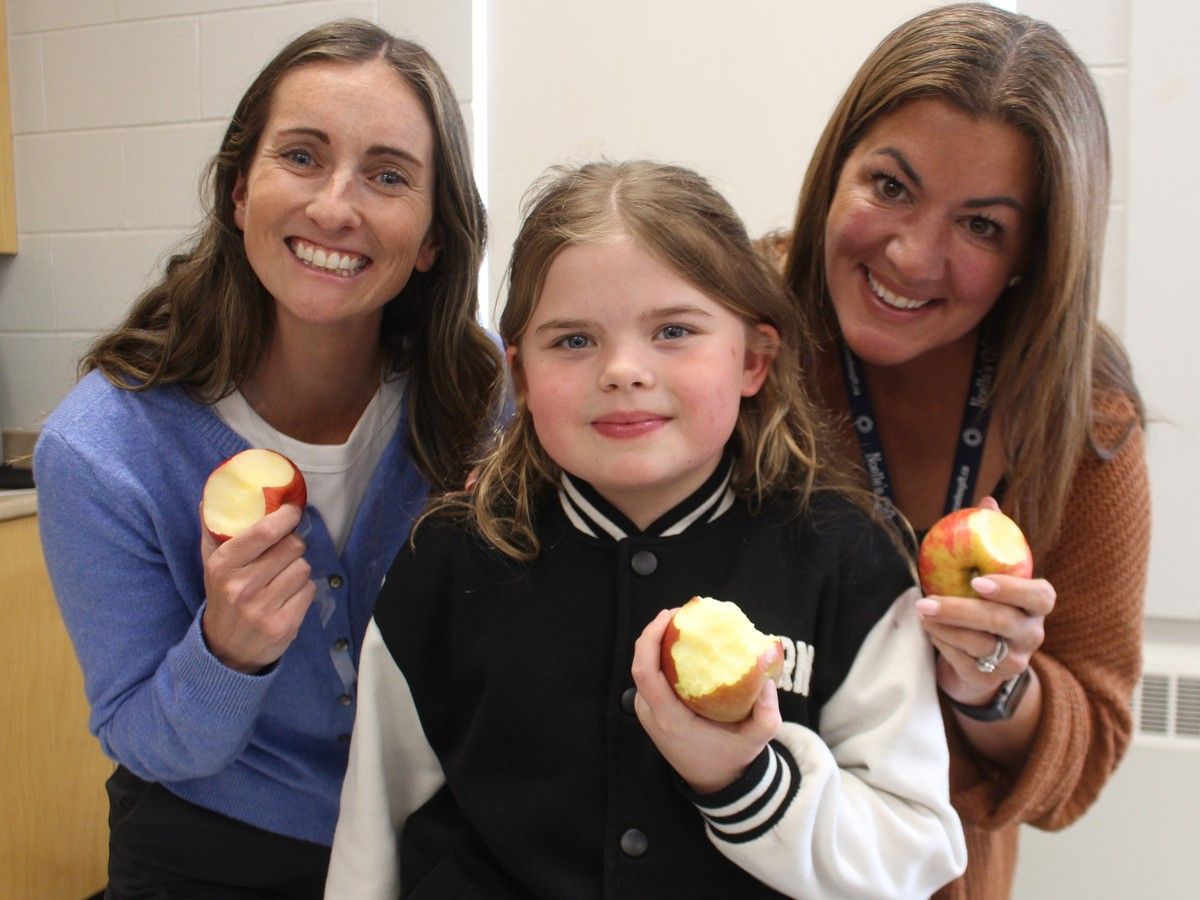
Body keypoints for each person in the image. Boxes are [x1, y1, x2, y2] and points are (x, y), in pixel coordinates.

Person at [325, 160, 967, 899]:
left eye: (672, 331)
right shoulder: (446, 564)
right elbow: (372, 830)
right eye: (573, 341)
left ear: (754, 359)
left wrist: (744, 781)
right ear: (522, 378)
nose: (623, 371)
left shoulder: (848, 561)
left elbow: (916, 851)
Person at [33, 19, 502, 899]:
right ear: (240, 192)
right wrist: (227, 653)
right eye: (301, 157)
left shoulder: (488, 397)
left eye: (389, 175)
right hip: (217, 845)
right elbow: (143, 735)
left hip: (438, 835)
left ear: (432, 236)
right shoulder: (103, 453)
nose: (336, 205)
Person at [779, 4, 1150, 898]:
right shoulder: (736, 333)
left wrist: (995, 689)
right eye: (891, 187)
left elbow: (1086, 758)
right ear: (837, 171)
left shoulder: (1083, 422)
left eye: (981, 226)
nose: (911, 256)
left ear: (1034, 254)